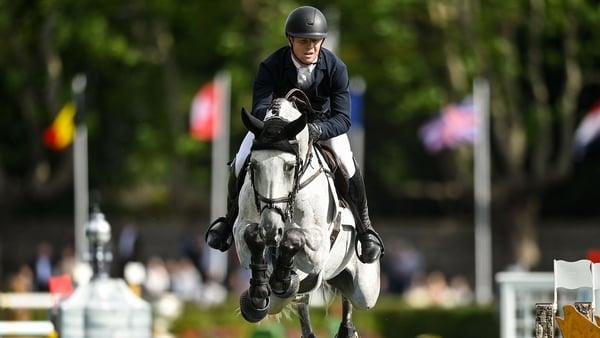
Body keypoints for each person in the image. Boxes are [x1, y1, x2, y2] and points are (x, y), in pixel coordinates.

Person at [205, 6, 384, 263]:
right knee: (241, 159)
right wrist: (279, 127)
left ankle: (366, 229)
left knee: (346, 161)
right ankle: (228, 220)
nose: (310, 47)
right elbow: (260, 108)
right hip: (277, 129)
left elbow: (343, 118)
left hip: (322, 127)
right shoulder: (271, 65)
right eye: (303, 41)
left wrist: (315, 130)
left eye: (315, 41)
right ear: (291, 40)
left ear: (322, 41)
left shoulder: (336, 68)